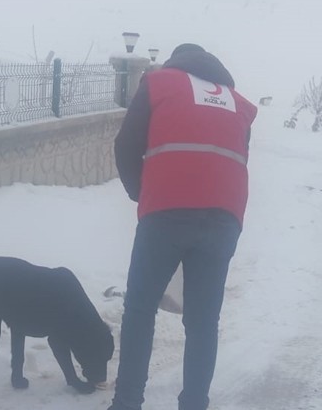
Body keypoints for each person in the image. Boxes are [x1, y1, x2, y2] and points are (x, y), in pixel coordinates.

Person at [107, 43, 257, 410]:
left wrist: (140, 194)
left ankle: (127, 403)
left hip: (166, 214)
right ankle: (194, 404)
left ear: (177, 62)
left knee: (140, 309)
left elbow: (126, 144)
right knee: (203, 321)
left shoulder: (160, 83)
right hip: (223, 219)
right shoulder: (237, 101)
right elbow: (237, 155)